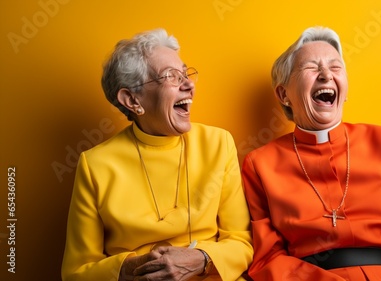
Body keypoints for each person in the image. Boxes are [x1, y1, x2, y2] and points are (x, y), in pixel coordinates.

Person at [241, 26, 381, 280]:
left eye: (335, 67)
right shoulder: (259, 164)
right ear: (283, 94)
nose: (325, 75)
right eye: (311, 68)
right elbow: (267, 258)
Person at [61, 28, 253, 281]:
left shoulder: (218, 143)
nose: (189, 85)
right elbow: (76, 271)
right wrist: (130, 268)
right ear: (132, 100)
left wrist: (202, 259)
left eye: (186, 74)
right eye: (171, 77)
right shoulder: (95, 164)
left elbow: (241, 241)